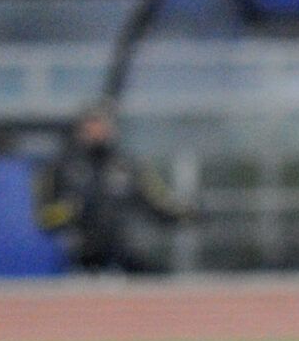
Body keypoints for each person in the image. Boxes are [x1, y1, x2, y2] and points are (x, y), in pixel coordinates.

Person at [36, 100, 187, 274]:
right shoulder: (59, 168)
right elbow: (43, 218)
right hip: (80, 258)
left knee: (158, 281)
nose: (98, 131)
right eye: (92, 125)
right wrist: (70, 210)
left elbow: (158, 204)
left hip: (124, 253)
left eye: (102, 125)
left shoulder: (129, 166)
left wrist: (186, 214)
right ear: (80, 130)